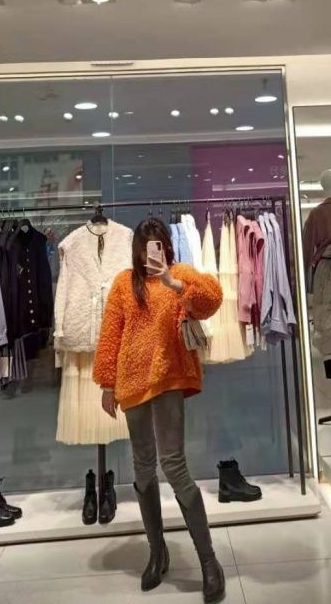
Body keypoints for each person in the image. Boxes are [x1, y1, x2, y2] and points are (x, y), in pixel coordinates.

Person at [94, 217, 225, 602]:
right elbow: (111, 333)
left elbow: (213, 299)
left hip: (169, 376)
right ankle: (158, 552)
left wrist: (174, 283)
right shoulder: (124, 283)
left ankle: (209, 562)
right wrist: (107, 382)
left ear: (166, 246)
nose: (153, 251)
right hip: (133, 382)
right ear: (137, 249)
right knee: (142, 466)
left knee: (175, 464)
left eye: (159, 244)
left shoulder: (180, 275)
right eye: (146, 245)